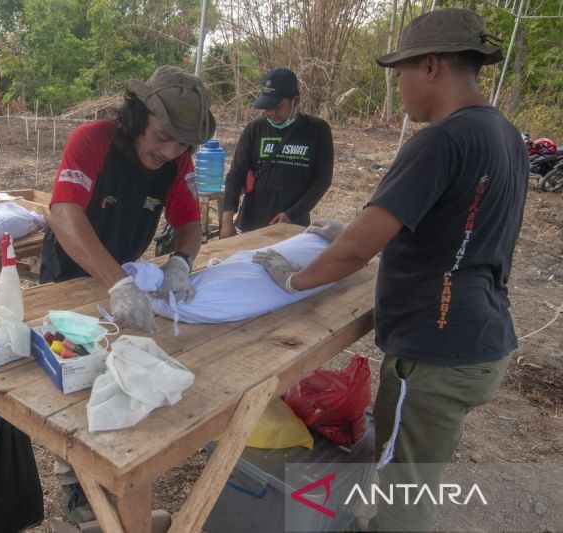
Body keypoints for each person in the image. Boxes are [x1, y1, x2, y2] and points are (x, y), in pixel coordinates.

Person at [252, 9, 527, 531]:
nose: (398, 87)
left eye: (400, 73)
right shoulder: (504, 134)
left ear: (429, 67)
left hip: (435, 351)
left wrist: (294, 279)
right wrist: (349, 231)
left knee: (405, 486)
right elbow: (456, 224)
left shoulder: (440, 139)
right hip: (480, 334)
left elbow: (360, 247)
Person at [39, 65, 216, 523]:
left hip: (127, 277)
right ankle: (77, 491)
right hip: (70, 272)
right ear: (138, 116)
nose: (169, 151)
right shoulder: (92, 140)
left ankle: (115, 471)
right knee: (72, 381)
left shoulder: (176, 162)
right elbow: (63, 212)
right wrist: (114, 281)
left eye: (181, 144)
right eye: (161, 137)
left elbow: (191, 220)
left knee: (115, 370)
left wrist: (182, 260)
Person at [219, 68, 333, 238]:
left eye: (278, 107)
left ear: (296, 101)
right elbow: (236, 174)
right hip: (251, 224)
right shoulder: (255, 129)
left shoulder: (317, 130)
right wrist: (227, 222)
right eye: (267, 107)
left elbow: (322, 179)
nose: (271, 113)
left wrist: (292, 214)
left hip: (293, 227)